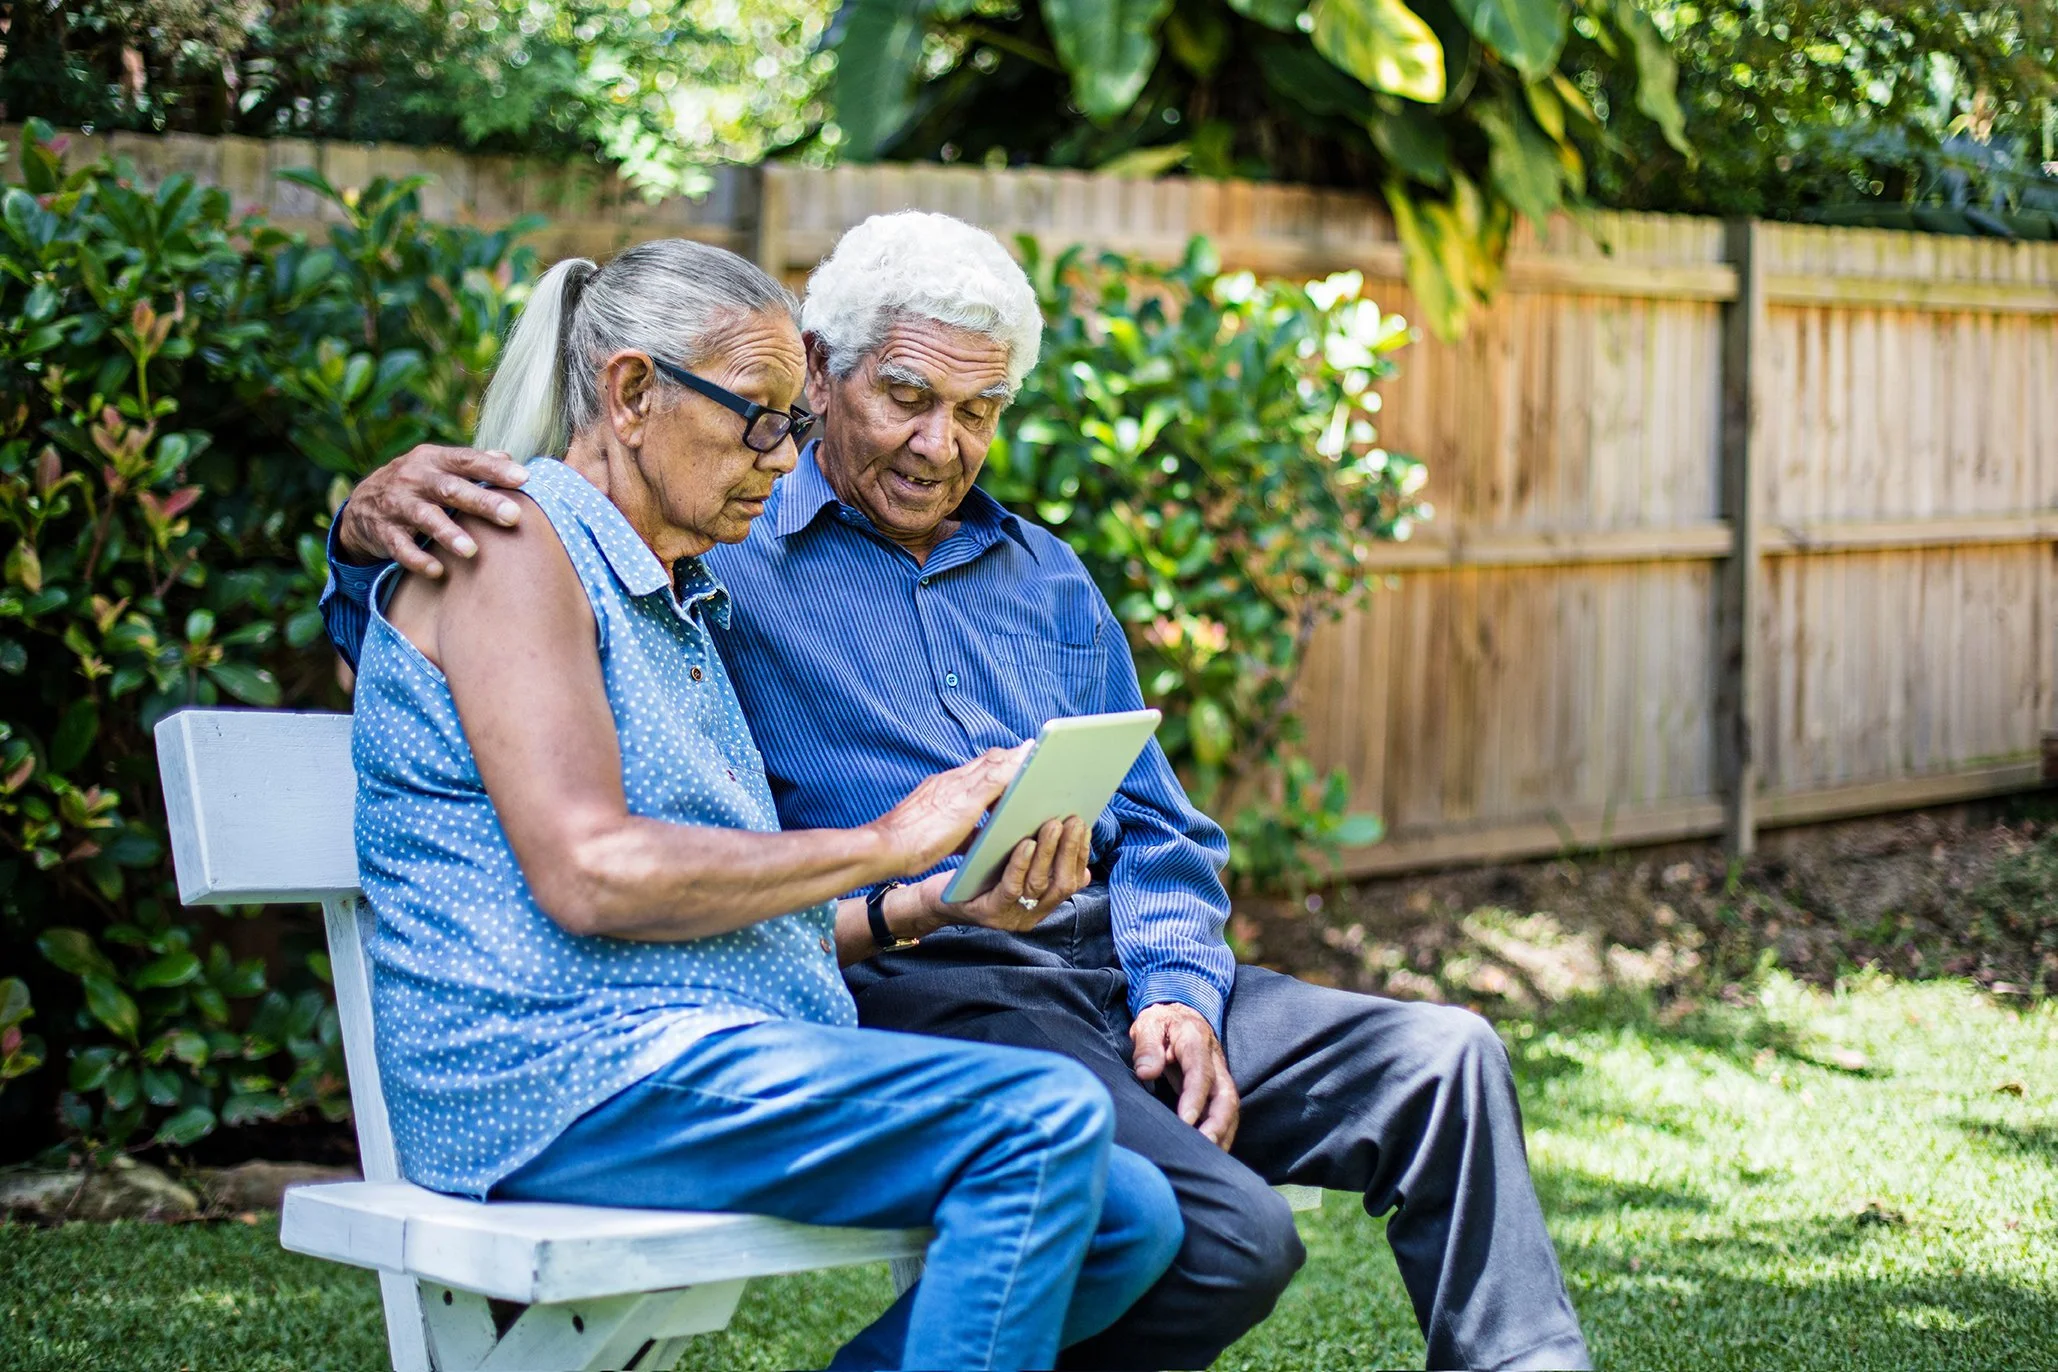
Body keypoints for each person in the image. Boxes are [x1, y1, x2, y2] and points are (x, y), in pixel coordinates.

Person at [328, 215, 1591, 1372]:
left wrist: (1178, 989)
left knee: (1444, 1056)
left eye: (980, 411)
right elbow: (454, 638)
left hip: (1067, 971)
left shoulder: (1023, 574)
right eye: (906, 398)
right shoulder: (716, 547)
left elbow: (1158, 823)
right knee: (1169, 1208)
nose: (942, 444)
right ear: (823, 377)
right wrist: (360, 538)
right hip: (923, 991)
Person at [346, 235, 1184, 1372]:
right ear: (632, 393)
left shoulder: (677, 597)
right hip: (554, 1076)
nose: (784, 456)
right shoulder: (516, 541)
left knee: (1133, 1215)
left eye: (792, 422)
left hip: (689, 1046)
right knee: (1043, 1123)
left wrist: (924, 904)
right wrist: (889, 840)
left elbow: (716, 906)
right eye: (758, 418)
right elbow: (593, 874)